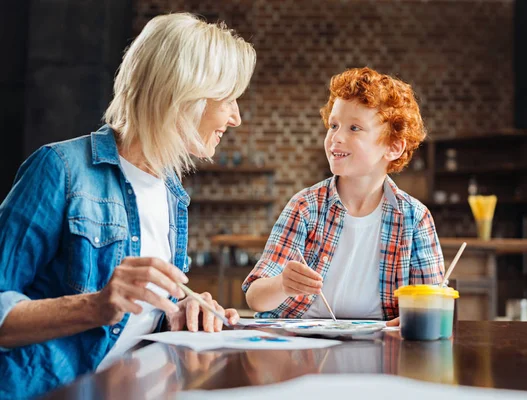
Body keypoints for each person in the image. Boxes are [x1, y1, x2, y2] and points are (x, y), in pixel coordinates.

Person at [0, 13, 256, 397]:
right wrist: (97, 306)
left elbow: (138, 319)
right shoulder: (60, 169)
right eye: (228, 98)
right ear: (184, 94)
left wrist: (177, 312)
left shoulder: (171, 193)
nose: (235, 117)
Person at [243, 67, 444, 325]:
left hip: (379, 349)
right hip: (299, 349)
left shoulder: (415, 219)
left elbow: (432, 308)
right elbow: (255, 297)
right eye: (333, 125)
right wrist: (283, 284)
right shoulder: (305, 207)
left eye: (354, 128)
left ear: (393, 147)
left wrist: (417, 316)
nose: (336, 137)